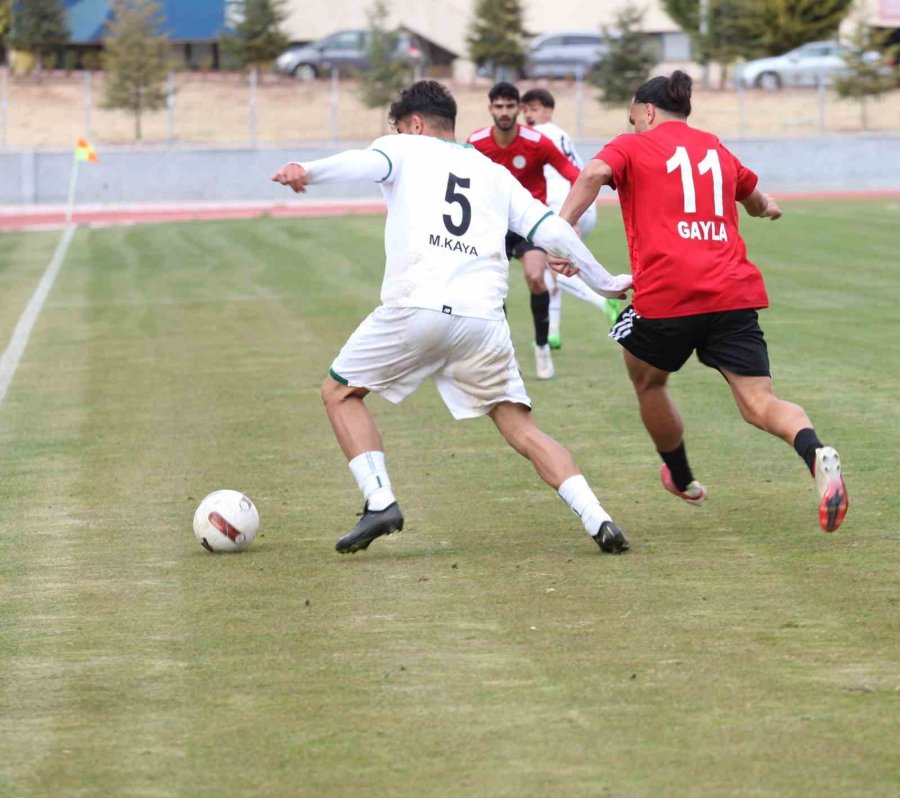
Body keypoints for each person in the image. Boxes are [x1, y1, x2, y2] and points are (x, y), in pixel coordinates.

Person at [271, 80, 633, 554]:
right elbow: (552, 230)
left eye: (401, 127)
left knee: (339, 392)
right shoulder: (494, 173)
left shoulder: (404, 147)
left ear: (414, 125)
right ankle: (598, 518)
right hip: (482, 322)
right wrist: (606, 281)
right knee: (521, 428)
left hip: (416, 306)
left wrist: (308, 171)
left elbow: (365, 161)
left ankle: (380, 500)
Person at [558, 71, 849, 533]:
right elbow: (755, 200)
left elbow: (593, 172)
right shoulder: (714, 147)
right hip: (732, 291)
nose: (632, 124)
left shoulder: (632, 146)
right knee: (758, 401)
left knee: (648, 381)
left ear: (647, 111)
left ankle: (681, 475)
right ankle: (815, 451)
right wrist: (768, 207)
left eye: (632, 116)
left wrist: (563, 231)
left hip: (668, 294)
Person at [467, 82, 581, 380]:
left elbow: (574, 175)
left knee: (535, 277)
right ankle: (505, 355)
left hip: (528, 225)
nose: (505, 112)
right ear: (490, 109)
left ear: (519, 108)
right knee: (494, 290)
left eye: (510, 106)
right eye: (499, 106)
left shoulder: (537, 141)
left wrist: (573, 216)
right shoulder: (476, 143)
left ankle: (542, 346)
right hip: (492, 226)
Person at [521, 87, 619, 350]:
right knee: (552, 270)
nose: (528, 115)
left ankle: (602, 299)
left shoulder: (534, 136)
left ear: (549, 110)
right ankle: (552, 333)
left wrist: (567, 218)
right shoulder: (561, 134)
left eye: (534, 109)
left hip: (563, 209)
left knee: (552, 269)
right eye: (526, 110)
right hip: (584, 206)